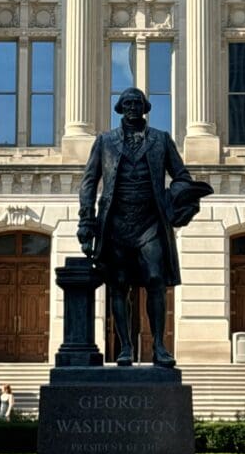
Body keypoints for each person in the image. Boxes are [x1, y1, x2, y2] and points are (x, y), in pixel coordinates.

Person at [78, 87, 212, 367]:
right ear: (119, 108)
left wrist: (181, 198)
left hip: (150, 221)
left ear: (145, 107)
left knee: (155, 280)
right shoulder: (104, 141)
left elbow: (181, 176)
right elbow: (89, 181)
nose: (131, 107)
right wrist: (86, 220)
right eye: (126, 103)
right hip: (115, 223)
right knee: (119, 286)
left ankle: (159, 346)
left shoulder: (161, 140)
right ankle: (125, 347)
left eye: (137, 103)